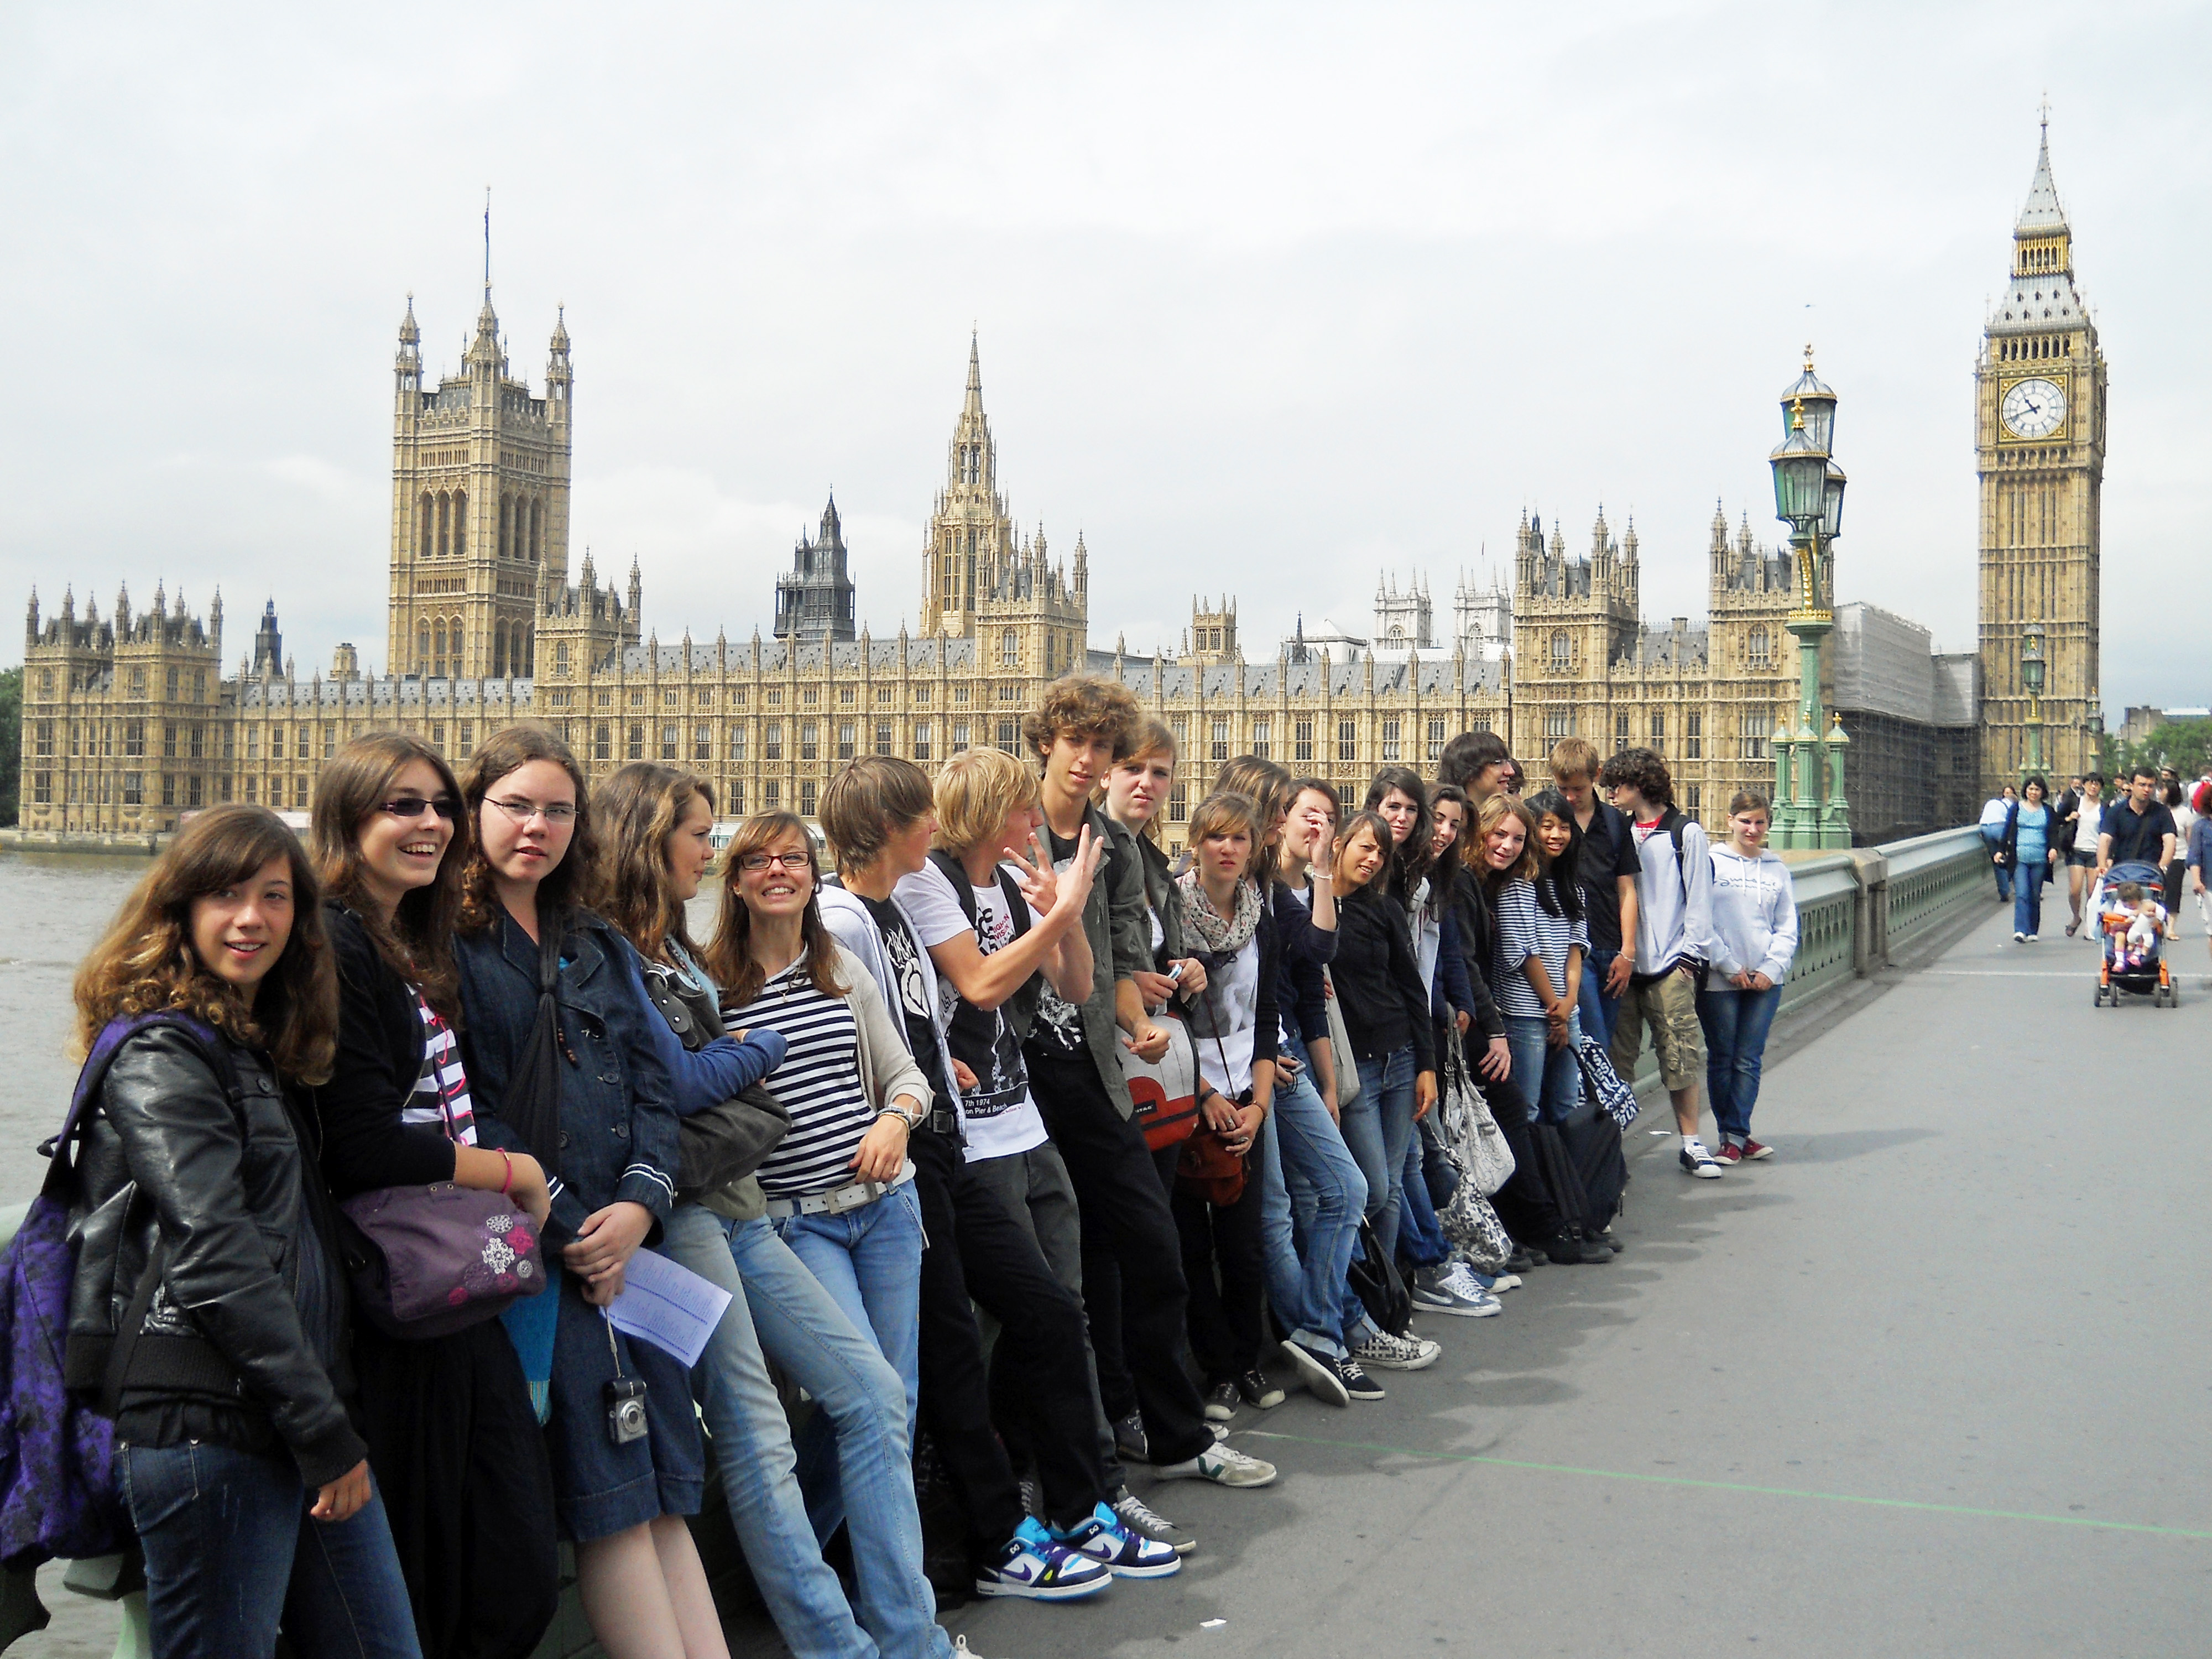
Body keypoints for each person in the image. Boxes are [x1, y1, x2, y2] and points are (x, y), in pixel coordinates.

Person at [600, 762, 1015, 1648]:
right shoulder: (662, 960)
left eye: (792, 856)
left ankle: (906, 1634)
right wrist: (751, 1055)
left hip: (805, 1205)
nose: (746, 861)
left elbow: (904, 1069)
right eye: (718, 844)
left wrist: (899, 1116)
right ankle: (849, 1638)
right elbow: (676, 1084)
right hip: (746, 1212)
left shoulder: (701, 954)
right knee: (777, 1427)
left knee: (875, 1401)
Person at [67, 804, 421, 1659]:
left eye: (274, 896)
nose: (252, 918)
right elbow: (218, 1255)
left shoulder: (256, 1047)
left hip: (290, 1414)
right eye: (226, 894)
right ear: (180, 909)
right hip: (209, 1423)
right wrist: (323, 1429)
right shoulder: (163, 1054)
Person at [816, 754, 1149, 1593]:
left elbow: (928, 1014)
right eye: (919, 814)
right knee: (951, 1357)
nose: (933, 826)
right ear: (894, 827)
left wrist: (1059, 918)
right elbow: (876, 1023)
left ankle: (1076, 1507)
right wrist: (1067, 906)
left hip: (953, 1141)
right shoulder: (851, 914)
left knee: (1043, 1313)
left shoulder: (896, 907)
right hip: (905, 1168)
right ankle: (989, 1538)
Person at [449, 728, 719, 1659]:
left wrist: (641, 1203)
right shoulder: (449, 946)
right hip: (543, 1256)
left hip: (633, 1244)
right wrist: (574, 1226)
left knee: (668, 1483)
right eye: (516, 806)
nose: (538, 827)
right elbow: (466, 1106)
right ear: (473, 809)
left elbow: (656, 1080)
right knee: (610, 1496)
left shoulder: (595, 941)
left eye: (558, 810)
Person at [310, 734, 560, 1659]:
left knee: (507, 1564)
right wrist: (512, 1172)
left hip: (448, 1284)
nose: (429, 823)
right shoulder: (332, 941)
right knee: (442, 1571)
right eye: (400, 805)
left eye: (438, 806)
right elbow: (360, 1139)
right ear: (346, 819)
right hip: (388, 1294)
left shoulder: (406, 938)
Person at [1010, 677, 1279, 1491]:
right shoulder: (1002, 829)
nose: (1091, 761)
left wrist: (1137, 1023)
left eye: (1105, 747)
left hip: (1091, 1068)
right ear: (1046, 745)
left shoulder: (1115, 849)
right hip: (1015, 1073)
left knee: (1151, 1249)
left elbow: (1126, 962)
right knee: (1056, 1274)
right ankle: (1082, 1444)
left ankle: (1172, 1433)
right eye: (1080, 745)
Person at [1170, 791, 1284, 1423]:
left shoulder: (1259, 915)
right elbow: (1158, 1016)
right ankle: (1215, 1368)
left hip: (1246, 1095)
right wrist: (1204, 1097)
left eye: (1239, 838)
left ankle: (1245, 1359)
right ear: (1196, 842)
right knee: (1191, 1246)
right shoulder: (1172, 912)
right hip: (1189, 1098)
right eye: (1216, 837)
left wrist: (1259, 1106)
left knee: (1244, 1246)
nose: (1228, 848)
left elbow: (1266, 1016)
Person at [1256, 776, 1369, 1400]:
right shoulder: (1253, 888)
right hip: (1256, 1059)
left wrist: (1323, 872)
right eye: (1309, 815)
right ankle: (1326, 1330)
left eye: (1330, 817)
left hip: (1286, 1054)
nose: (1320, 827)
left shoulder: (1288, 892)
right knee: (1284, 1207)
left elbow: (1316, 957)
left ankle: (1324, 1330)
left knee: (1339, 1191)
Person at [1326, 810, 1443, 1375]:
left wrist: (1427, 1065)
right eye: (1363, 848)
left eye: (1379, 853)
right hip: (1355, 1071)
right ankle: (1365, 1305)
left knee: (1392, 1187)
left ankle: (1389, 1308)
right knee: (1369, 1189)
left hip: (1398, 1057)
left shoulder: (1385, 909)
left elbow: (1410, 988)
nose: (1372, 859)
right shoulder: (1315, 908)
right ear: (1339, 844)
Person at [1597, 748, 1720, 1179]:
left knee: (1680, 1056)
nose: (1610, 793)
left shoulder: (1684, 833)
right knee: (1618, 1060)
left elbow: (1701, 901)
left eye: (1618, 785)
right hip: (1625, 967)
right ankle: (1610, 1152)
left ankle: (1691, 1143)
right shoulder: (1619, 831)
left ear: (1641, 785)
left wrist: (1689, 959)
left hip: (1671, 963)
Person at [1699, 792, 1799, 1165]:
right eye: (1745, 821)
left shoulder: (1777, 869)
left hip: (1765, 981)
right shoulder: (1711, 863)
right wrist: (1728, 965)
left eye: (1759, 823)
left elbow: (1788, 926)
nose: (1752, 829)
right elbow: (1700, 921)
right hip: (1720, 978)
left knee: (1749, 1059)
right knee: (1723, 1057)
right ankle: (1731, 1135)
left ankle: (1737, 1133)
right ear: (1730, 821)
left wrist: (1771, 968)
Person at [1493, 790, 1588, 1128]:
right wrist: (1556, 1011)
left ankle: (1566, 1177)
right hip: (1525, 1015)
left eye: (1564, 827)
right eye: (1547, 826)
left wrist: (1569, 1004)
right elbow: (1524, 953)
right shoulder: (1517, 883)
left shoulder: (1572, 888)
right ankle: (1532, 1181)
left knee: (1568, 1104)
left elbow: (1576, 947)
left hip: (1566, 1010)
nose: (1556, 835)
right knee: (1527, 1108)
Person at [1551, 738, 1641, 1048]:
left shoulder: (1615, 823)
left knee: (1604, 1039)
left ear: (1597, 776)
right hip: (1570, 950)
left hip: (1610, 950)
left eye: (1578, 789)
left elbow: (1626, 888)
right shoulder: (1546, 820)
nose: (1570, 797)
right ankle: (1601, 1098)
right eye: (1563, 789)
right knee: (1595, 1044)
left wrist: (1627, 951)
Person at [1997, 775, 2059, 942]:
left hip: (2039, 859)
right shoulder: (2016, 809)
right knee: (2022, 893)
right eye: (2031, 789)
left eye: (2037, 789)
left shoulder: (2048, 811)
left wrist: (2054, 848)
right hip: (2020, 858)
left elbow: (2053, 833)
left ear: (2042, 792)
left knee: (2034, 894)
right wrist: (2000, 851)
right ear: (2026, 790)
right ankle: (2020, 930)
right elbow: (2007, 830)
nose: (2033, 792)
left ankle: (2032, 930)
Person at [2099, 767, 2180, 877]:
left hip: (2150, 874)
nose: (2147, 789)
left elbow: (2170, 841)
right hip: (2121, 873)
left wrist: (2162, 867)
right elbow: (2105, 839)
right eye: (2142, 785)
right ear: (2131, 786)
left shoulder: (2162, 812)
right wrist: (2102, 865)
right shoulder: (2116, 812)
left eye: (2151, 786)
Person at [2062, 773, 2106, 936]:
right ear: (2084, 785)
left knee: (2092, 892)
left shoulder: (2104, 807)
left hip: (2096, 852)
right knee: (2075, 890)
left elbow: (2108, 831)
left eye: (2097, 784)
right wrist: (2069, 818)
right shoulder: (2074, 802)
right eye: (2090, 783)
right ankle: (2076, 917)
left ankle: (2090, 923)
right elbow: (2058, 818)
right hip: (2076, 850)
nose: (2093, 787)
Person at [2162, 776, 2195, 930]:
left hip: (2179, 857)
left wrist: (2193, 859)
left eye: (2163, 790)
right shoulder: (2157, 810)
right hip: (2158, 857)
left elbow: (2190, 838)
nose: (2160, 793)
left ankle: (2171, 927)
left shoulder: (2184, 813)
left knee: (2174, 892)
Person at [2114, 883, 2166, 972]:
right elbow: (2117, 910)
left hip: (2141, 929)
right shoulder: (2120, 905)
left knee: (2142, 937)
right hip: (2124, 928)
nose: (2130, 906)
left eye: (2132, 904)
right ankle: (2120, 960)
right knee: (2120, 936)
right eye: (2127, 905)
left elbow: (2161, 910)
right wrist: (2131, 913)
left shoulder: (2146, 904)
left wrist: (2158, 919)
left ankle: (2136, 955)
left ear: (2139, 899)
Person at [1980, 785, 2019, 903]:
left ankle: (2004, 893)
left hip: (1985, 828)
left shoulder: (1992, 802)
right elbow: (2012, 823)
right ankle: (2020, 889)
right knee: (2013, 857)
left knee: (1997, 861)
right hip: (1999, 827)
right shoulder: (2011, 805)